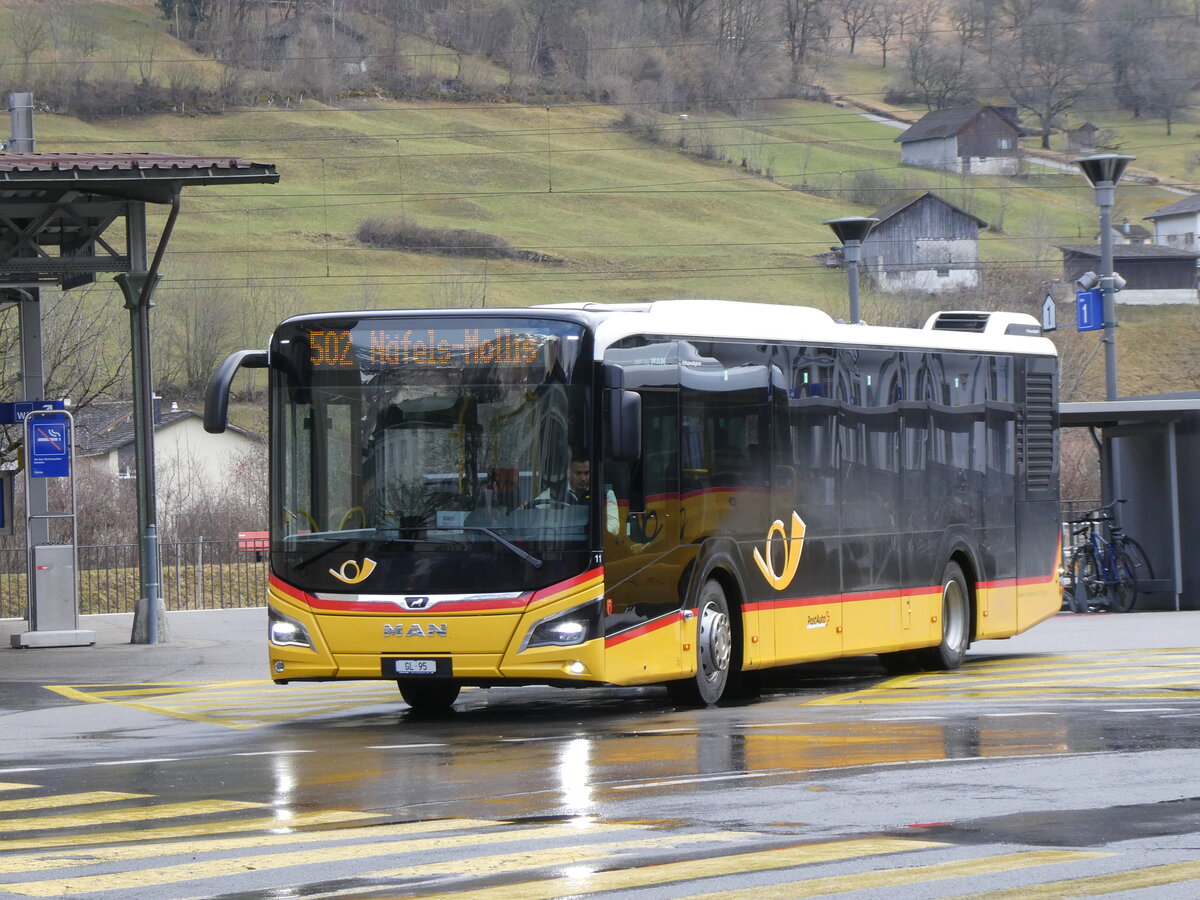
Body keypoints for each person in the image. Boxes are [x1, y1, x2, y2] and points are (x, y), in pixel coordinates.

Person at [532, 454, 620, 535]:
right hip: (562, 543)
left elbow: (614, 527)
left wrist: (592, 528)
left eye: (587, 473)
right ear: (568, 472)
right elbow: (533, 515)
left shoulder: (605, 494)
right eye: (578, 473)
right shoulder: (553, 493)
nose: (583, 478)